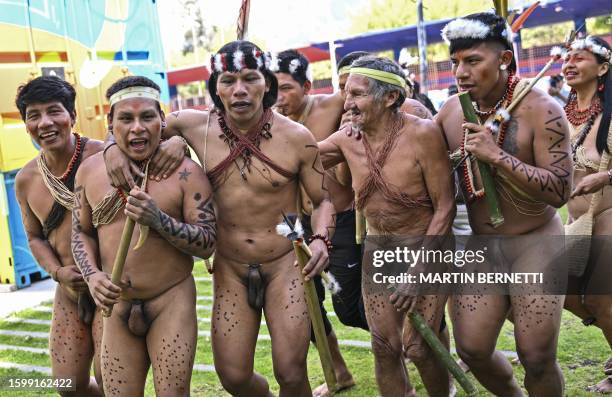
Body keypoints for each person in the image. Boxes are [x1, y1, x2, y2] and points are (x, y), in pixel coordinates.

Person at [103, 41, 336, 397]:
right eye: (227, 80)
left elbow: (323, 200)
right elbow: (134, 129)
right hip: (230, 267)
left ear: (267, 84)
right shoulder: (193, 126)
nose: (239, 90)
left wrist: (320, 239)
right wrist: (109, 149)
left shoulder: (296, 138)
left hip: (285, 263)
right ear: (215, 87)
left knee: (290, 371)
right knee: (233, 377)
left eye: (249, 78)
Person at [436, 12, 572, 396]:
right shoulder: (448, 114)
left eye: (472, 61)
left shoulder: (543, 111)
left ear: (504, 60)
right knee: (473, 348)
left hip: (536, 242)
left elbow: (561, 191)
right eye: (455, 63)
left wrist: (497, 157)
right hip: (484, 247)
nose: (460, 72)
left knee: (536, 355)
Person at [319, 55, 456, 397]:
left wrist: (417, 274)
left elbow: (445, 208)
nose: (347, 104)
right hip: (379, 249)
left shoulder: (423, 134)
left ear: (390, 98)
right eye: (346, 94)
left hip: (427, 249)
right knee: (383, 346)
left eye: (358, 94)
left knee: (419, 347)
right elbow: (295, 158)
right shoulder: (346, 138)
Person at [72, 75, 217, 396]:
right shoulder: (90, 172)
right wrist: (93, 276)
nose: (137, 127)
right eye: (126, 118)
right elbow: (80, 233)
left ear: (162, 120)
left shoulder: (186, 172)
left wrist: (159, 220)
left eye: (147, 117)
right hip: (117, 308)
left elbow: (208, 243)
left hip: (171, 301)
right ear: (110, 123)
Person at [272, 49, 356, 397]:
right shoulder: (270, 122)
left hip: (346, 217)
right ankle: (339, 371)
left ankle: (420, 341)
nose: (278, 97)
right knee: (305, 301)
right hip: (299, 221)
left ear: (307, 85)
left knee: (351, 308)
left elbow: (369, 91)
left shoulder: (334, 105)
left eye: (286, 88)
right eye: (272, 88)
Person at [14, 76, 104, 397]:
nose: (45, 123)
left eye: (54, 111)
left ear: (72, 116)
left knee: (111, 380)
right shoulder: (26, 180)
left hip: (109, 287)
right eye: (33, 115)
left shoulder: (105, 157)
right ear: (26, 124)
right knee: (68, 385)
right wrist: (58, 273)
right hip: (69, 290)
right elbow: (35, 237)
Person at [561, 35, 612, 394]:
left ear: (603, 68)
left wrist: (606, 175)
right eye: (566, 58)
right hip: (573, 221)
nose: (569, 63)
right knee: (561, 292)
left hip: (609, 214)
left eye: (579, 57)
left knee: (599, 298)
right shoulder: (557, 114)